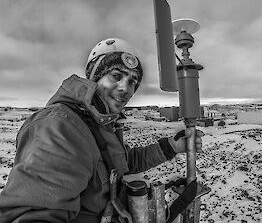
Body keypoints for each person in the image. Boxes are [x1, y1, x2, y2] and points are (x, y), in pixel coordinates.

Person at [0, 38, 204, 223]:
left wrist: (171, 147)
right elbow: (33, 215)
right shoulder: (60, 127)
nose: (125, 88)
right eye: (116, 76)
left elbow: (123, 162)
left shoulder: (98, 123)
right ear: (94, 78)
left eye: (132, 81)